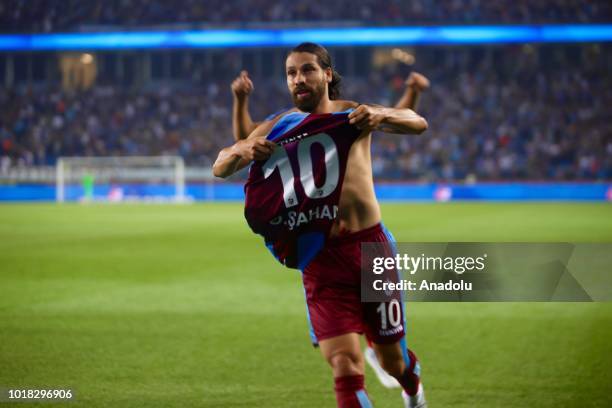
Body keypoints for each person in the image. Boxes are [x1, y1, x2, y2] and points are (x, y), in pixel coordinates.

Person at [214, 42, 428, 408]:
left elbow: (417, 122)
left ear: (327, 74)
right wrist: (242, 151)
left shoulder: (351, 115)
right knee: (343, 364)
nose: (299, 79)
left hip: (370, 250)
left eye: (307, 70)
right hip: (320, 258)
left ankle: (413, 389)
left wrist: (379, 114)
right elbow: (221, 163)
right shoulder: (280, 126)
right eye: (291, 73)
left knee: (394, 362)